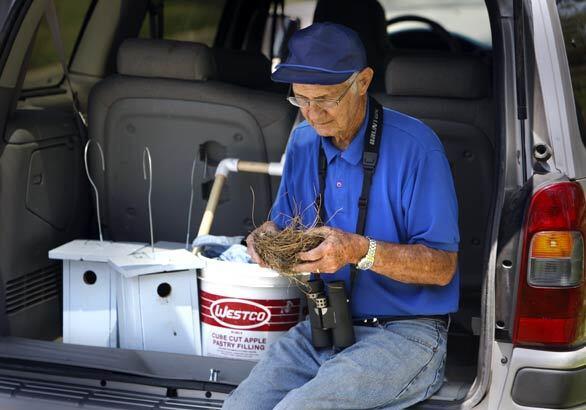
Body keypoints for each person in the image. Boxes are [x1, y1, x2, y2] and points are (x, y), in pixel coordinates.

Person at [222, 22, 459, 410]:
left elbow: (442, 267)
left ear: (363, 82)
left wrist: (358, 251)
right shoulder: (302, 142)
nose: (313, 115)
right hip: (326, 325)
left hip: (407, 335)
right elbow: (284, 227)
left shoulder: (418, 148)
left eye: (326, 99)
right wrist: (265, 239)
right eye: (301, 100)